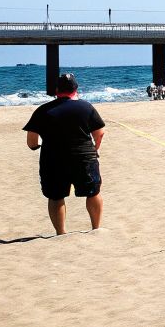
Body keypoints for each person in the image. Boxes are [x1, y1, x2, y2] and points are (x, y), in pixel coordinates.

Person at [22, 73, 106, 235]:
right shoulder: (86, 107)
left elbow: (31, 141)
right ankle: (96, 228)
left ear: (56, 90)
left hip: (53, 158)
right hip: (84, 156)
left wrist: (36, 146)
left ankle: (61, 233)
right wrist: (96, 149)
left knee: (56, 196)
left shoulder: (43, 110)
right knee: (93, 192)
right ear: (76, 89)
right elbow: (99, 133)